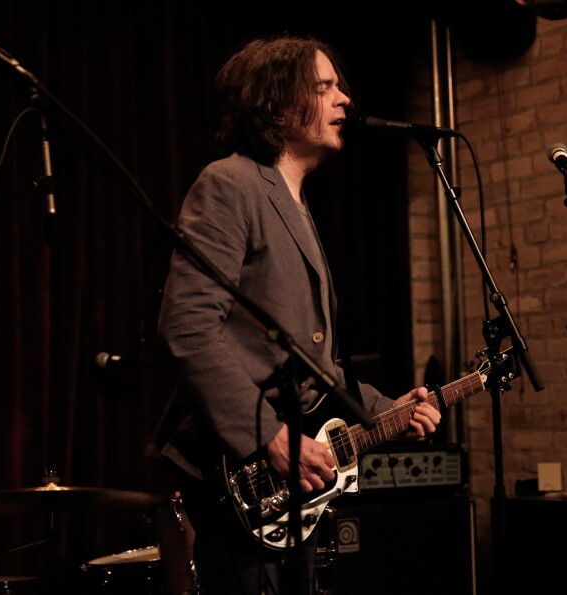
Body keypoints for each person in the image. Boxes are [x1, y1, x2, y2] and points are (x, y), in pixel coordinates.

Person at [146, 33, 442, 595]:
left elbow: (312, 363)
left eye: (339, 87)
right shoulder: (230, 183)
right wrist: (267, 436)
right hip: (234, 476)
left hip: (287, 495)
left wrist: (386, 409)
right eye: (324, 87)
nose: (344, 100)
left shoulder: (295, 203)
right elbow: (186, 324)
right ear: (279, 106)